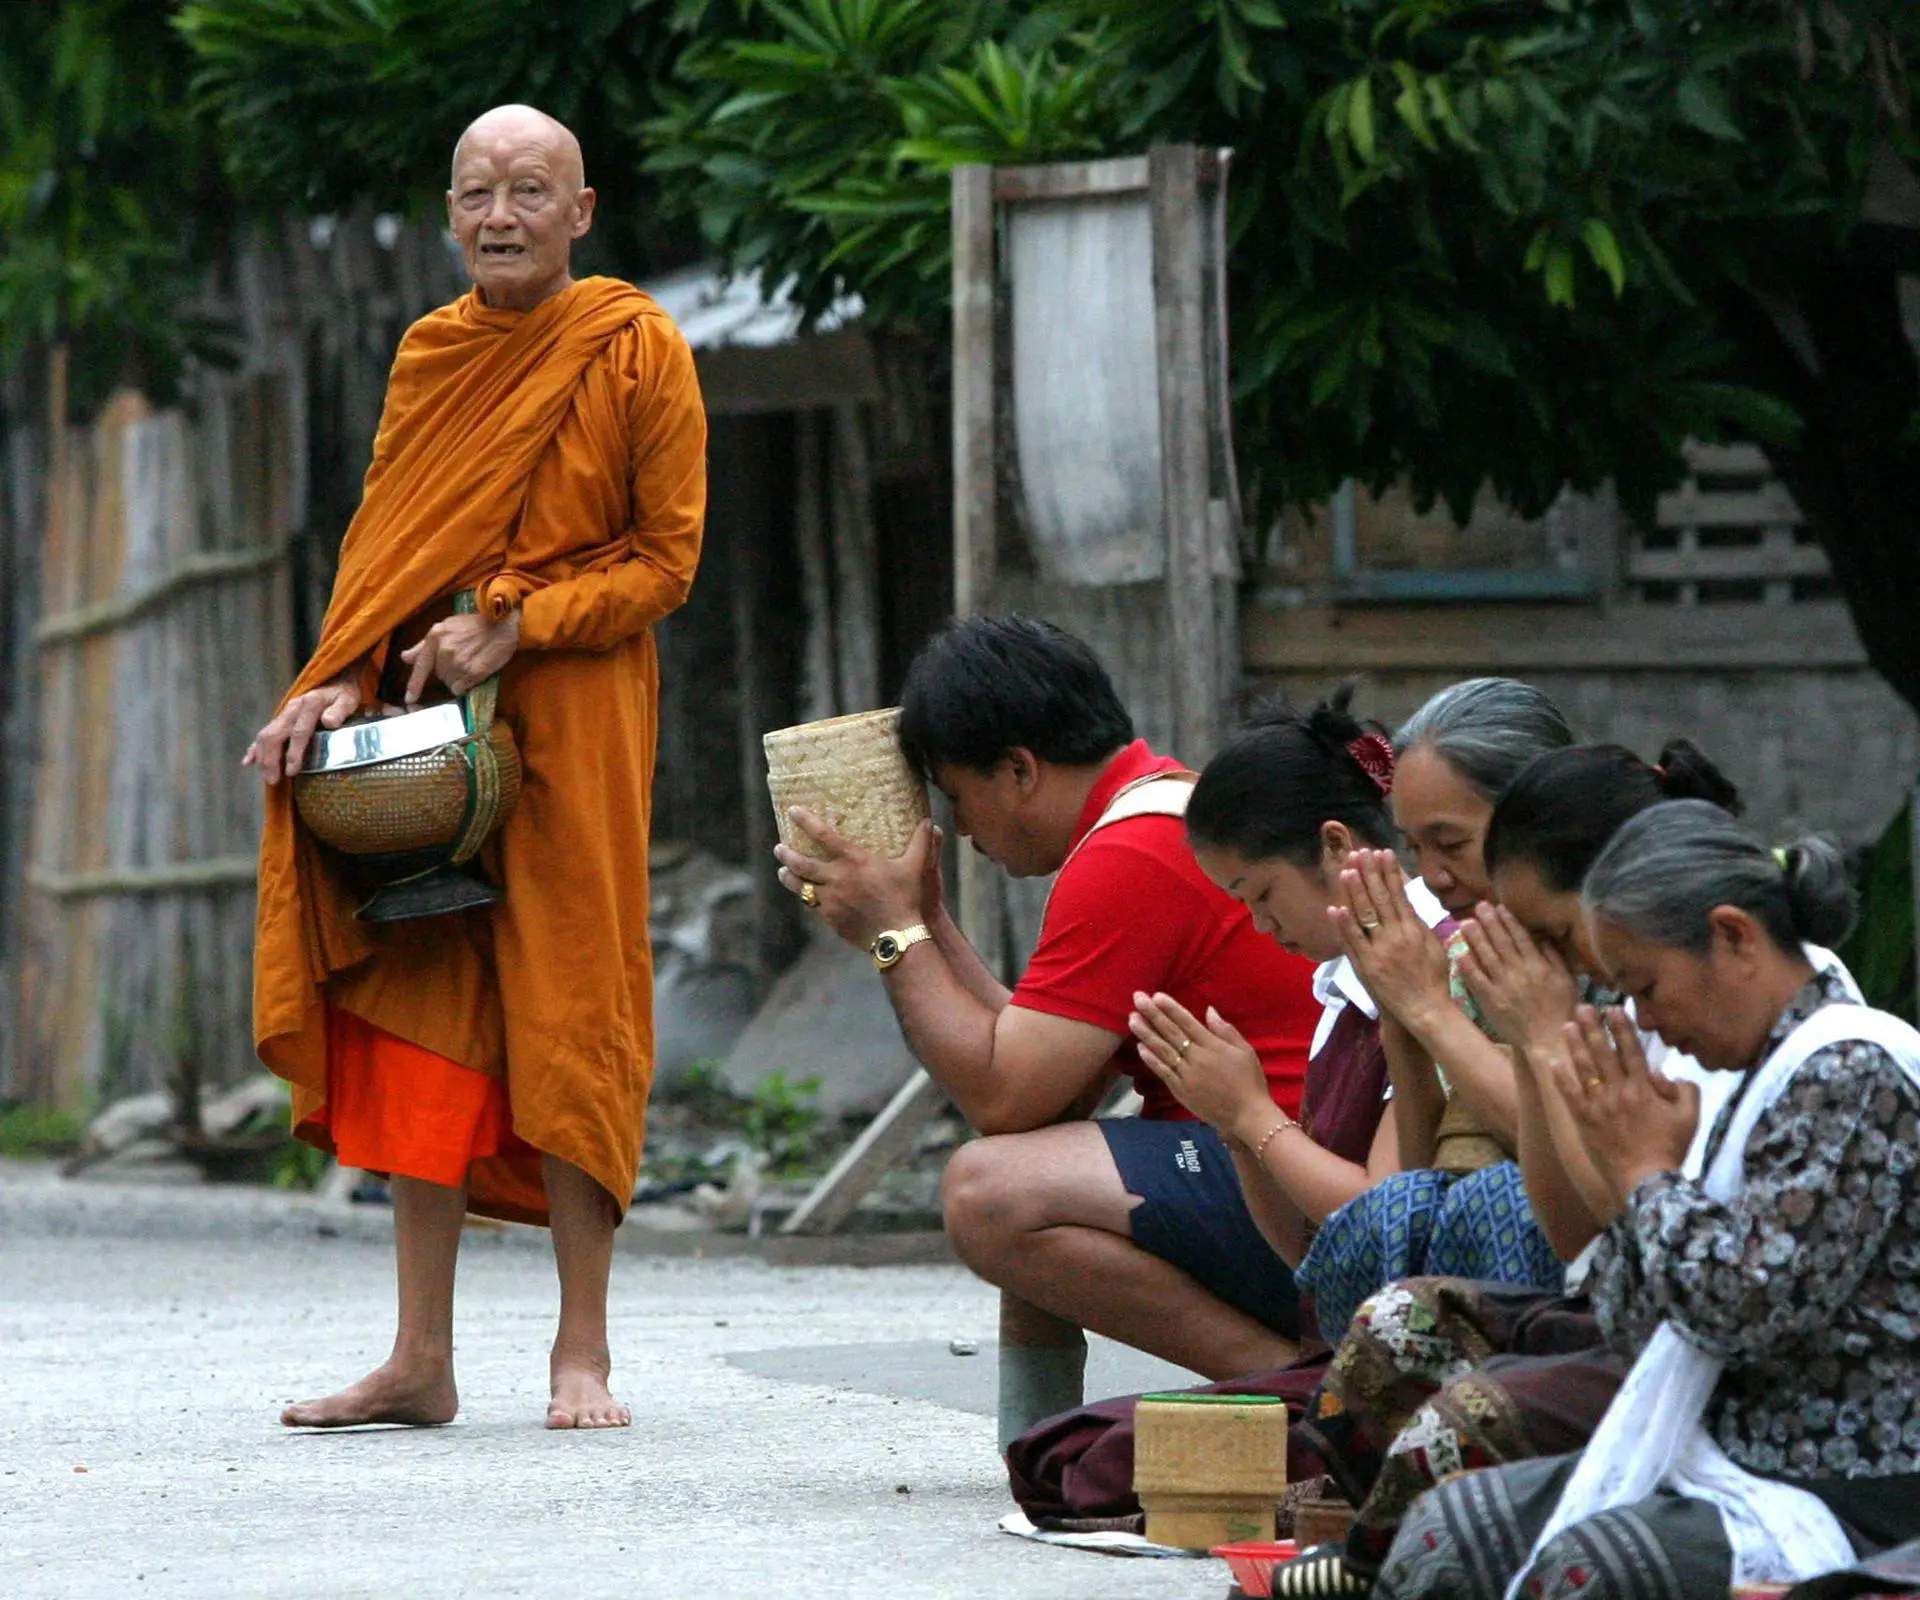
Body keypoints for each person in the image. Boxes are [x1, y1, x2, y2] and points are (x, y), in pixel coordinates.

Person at [246, 106, 705, 1430]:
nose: (500, 216)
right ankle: (420, 1358)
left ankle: (582, 1352)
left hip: (577, 714)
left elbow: (665, 562)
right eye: (477, 193)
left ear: (582, 210)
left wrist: (522, 621)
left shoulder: (636, 347)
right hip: (428, 721)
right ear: (449, 212)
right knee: (423, 1006)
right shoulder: (430, 353)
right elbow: (385, 556)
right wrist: (337, 680)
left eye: (529, 191)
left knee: (573, 1004)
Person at [1374, 800, 1920, 1600]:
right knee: (1449, 1534)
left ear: (1734, 937)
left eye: (1649, 987)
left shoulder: (1852, 1071)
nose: (1648, 1017)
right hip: (1723, 1454)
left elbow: (1742, 1308)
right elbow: (1640, 1323)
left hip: (1849, 1484)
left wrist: (1643, 1172)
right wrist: (1626, 1168)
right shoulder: (1759, 1068)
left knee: (1590, 1570)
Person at [774, 616, 1323, 1388]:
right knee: (1031, 1165)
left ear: (1019, 770)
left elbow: (1006, 1097)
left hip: (1296, 1189)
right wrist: (924, 921)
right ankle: (1040, 1436)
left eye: (959, 797)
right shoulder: (1156, 807)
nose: (962, 828)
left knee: (991, 1194)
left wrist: (893, 937)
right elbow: (1048, 1081)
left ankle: (1297, 1385)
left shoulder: (1129, 854)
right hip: (1278, 1167)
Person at [1286, 739, 1767, 1591]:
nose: (1435, 877)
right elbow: (1579, 1237)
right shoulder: (1620, 991)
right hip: (1626, 1308)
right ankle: (1386, 1544)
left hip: (1721, 1361)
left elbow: (1640, 1230)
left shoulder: (1725, 1008)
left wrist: (1512, 1033)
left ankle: (1382, 1563)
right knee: (1396, 1325)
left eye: (1450, 843)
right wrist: (1518, 1036)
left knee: (1467, 1403)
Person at [1285, 679, 1578, 1343]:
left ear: (1543, 816)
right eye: (1417, 849)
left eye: (1453, 844)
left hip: (1580, 1287)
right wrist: (1400, 1015)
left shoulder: (1614, 952)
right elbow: (1411, 1189)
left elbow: (1571, 1152)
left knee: (1495, 1202)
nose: (1435, 878)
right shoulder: (1466, 955)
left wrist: (1428, 1010)